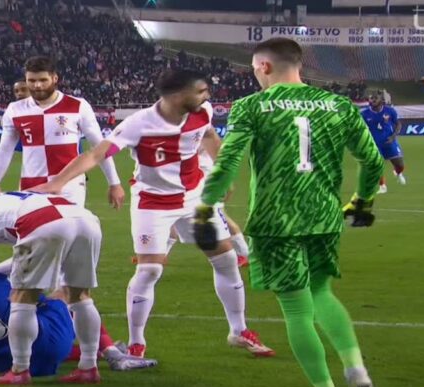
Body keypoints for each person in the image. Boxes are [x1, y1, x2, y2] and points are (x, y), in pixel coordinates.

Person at [31, 68, 273, 359]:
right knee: (149, 270)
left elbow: (208, 135)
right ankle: (137, 342)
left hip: (194, 199)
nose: (206, 96)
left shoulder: (203, 112)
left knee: (226, 259)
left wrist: (222, 174)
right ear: (177, 95)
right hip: (153, 204)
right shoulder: (139, 124)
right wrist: (57, 183)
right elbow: (96, 153)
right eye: (200, 91)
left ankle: (239, 330)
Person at [195, 38, 383, 387]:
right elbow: (373, 161)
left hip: (275, 220)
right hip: (324, 216)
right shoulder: (339, 105)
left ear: (264, 67)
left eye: (254, 69)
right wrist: (362, 201)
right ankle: (356, 368)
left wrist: (205, 207)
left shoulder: (252, 106)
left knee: (297, 309)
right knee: (322, 293)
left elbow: (228, 162)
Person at [0, 191, 107, 385]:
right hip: (85, 219)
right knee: (79, 296)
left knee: (22, 299)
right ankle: (89, 367)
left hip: (43, 223)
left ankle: (19, 371)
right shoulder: (5, 200)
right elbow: (24, 253)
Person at [0, 255, 156, 379]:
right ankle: (110, 352)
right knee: (71, 293)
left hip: (11, 367)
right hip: (52, 344)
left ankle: (101, 352)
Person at [0, 56, 123, 208]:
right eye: (31, 81)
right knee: (32, 225)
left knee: (67, 224)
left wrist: (114, 183)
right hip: (30, 185)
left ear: (54, 78)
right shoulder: (15, 109)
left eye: (43, 80)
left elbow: (100, 147)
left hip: (69, 185)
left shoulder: (78, 106)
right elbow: (5, 149)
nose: (37, 85)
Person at [361, 90, 405, 194]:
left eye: (375, 98)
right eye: (371, 98)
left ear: (381, 100)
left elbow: (398, 124)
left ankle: (398, 173)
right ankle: (382, 186)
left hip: (389, 141)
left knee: (400, 164)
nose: (373, 100)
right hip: (374, 144)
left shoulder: (390, 111)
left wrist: (393, 136)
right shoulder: (364, 114)